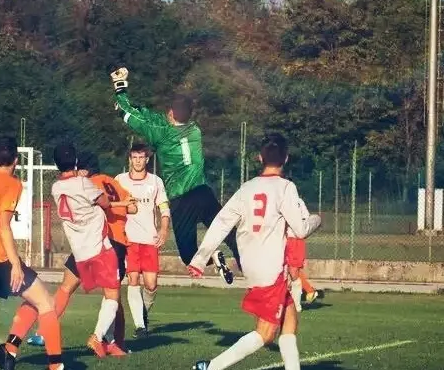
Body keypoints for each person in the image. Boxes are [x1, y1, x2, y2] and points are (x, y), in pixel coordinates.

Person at [186, 133, 322, 370]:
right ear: (286, 158)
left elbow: (221, 222)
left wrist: (199, 259)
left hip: (251, 265)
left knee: (289, 319)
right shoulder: (286, 187)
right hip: (271, 268)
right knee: (265, 333)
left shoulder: (246, 188)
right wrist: (316, 220)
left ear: (260, 157)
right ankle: (211, 367)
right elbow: (300, 229)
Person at [109, 67, 239, 283]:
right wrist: (138, 107)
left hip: (181, 200)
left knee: (189, 256)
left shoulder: (162, 134)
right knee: (228, 232)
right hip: (203, 192)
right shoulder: (195, 130)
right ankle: (250, 265)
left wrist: (120, 89)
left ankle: (212, 257)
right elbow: (155, 118)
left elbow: (132, 117)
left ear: (170, 113)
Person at [21, 150, 136, 357]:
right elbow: (129, 207)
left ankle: (44, 332)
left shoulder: (63, 186)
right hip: (110, 243)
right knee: (113, 297)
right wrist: (124, 205)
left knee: (65, 288)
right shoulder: (104, 183)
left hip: (83, 247)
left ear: (84, 168)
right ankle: (113, 343)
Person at [0, 137, 64, 370]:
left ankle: (8, 350)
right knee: (48, 304)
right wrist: (15, 265)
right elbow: (3, 226)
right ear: (16, 161)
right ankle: (56, 365)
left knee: (33, 299)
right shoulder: (11, 183)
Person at [115, 143, 170, 337]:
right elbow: (111, 205)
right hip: (129, 240)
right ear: (129, 159)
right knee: (132, 278)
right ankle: (140, 326)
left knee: (151, 284)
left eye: (141, 157)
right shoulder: (119, 180)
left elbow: (164, 208)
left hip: (149, 239)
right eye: (134, 157)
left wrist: (163, 230)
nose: (137, 161)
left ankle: (143, 314)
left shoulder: (155, 182)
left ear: (147, 159)